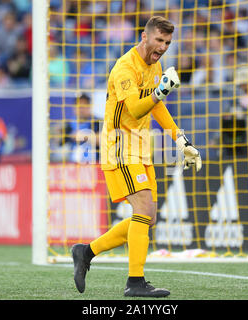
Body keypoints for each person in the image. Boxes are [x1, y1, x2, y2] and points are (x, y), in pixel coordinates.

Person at [71, 16, 202, 298]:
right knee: (143, 208)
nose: (163, 47)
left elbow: (157, 109)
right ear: (145, 37)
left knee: (148, 216)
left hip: (141, 146)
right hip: (119, 145)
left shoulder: (154, 66)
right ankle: (135, 281)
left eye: (167, 43)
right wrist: (160, 90)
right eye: (159, 41)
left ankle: (86, 252)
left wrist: (181, 139)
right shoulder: (124, 68)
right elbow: (137, 107)